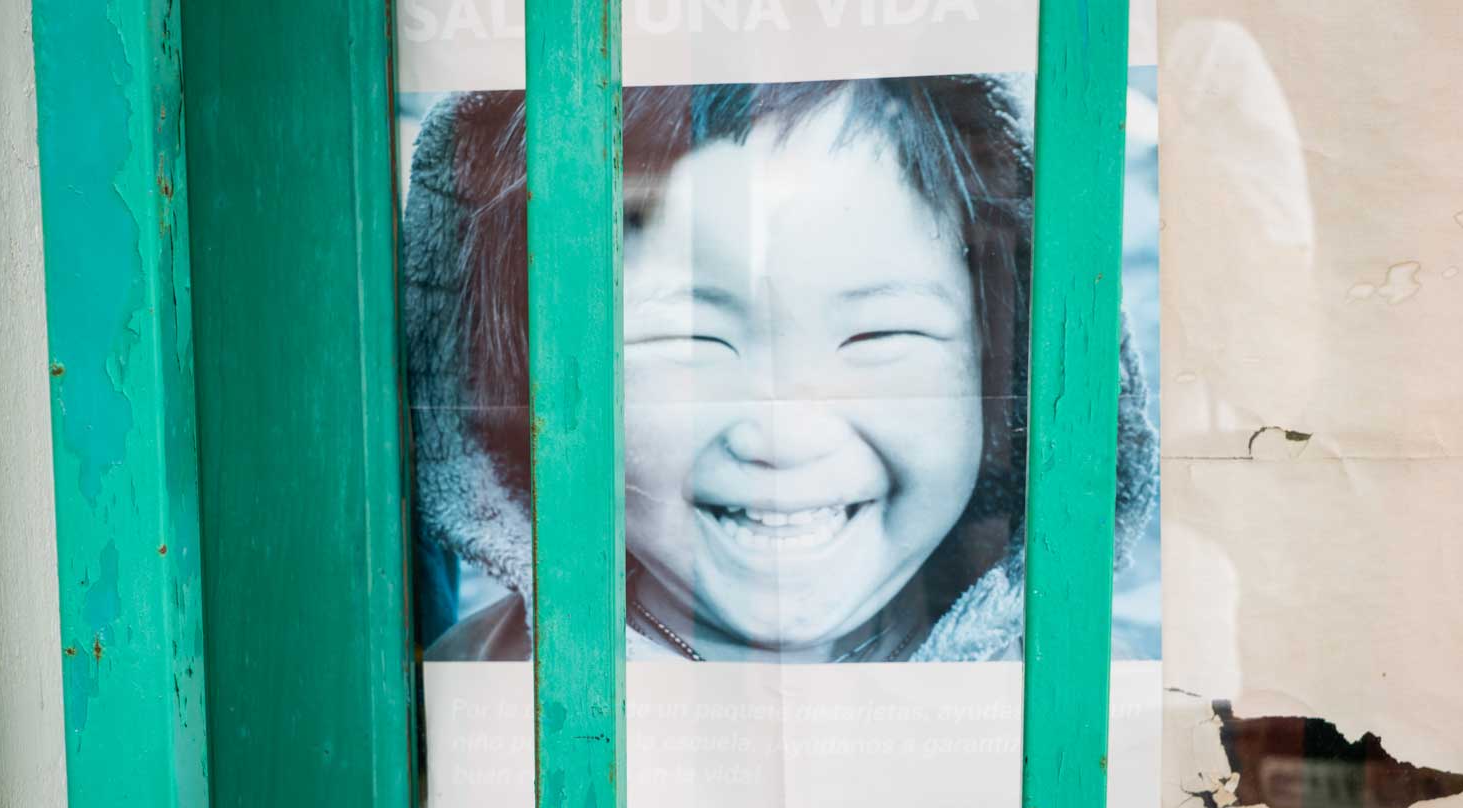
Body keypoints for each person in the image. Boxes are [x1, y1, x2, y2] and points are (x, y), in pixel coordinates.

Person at [407, 77, 1158, 663]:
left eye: (878, 334)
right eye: (689, 339)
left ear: (1005, 358)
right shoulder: (475, 696)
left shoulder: (1080, 700)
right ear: (531, 374)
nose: (785, 435)